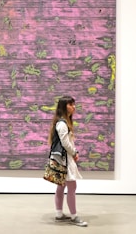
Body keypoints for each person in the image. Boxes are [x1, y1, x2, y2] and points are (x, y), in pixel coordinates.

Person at [48, 96, 88, 227]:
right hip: (65, 159)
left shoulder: (61, 123)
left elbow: (65, 142)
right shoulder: (62, 124)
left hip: (61, 158)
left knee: (61, 186)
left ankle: (59, 214)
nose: (74, 107)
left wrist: (73, 151)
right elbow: (65, 143)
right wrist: (75, 152)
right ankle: (74, 216)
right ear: (64, 106)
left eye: (74, 104)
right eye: (71, 104)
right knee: (72, 187)